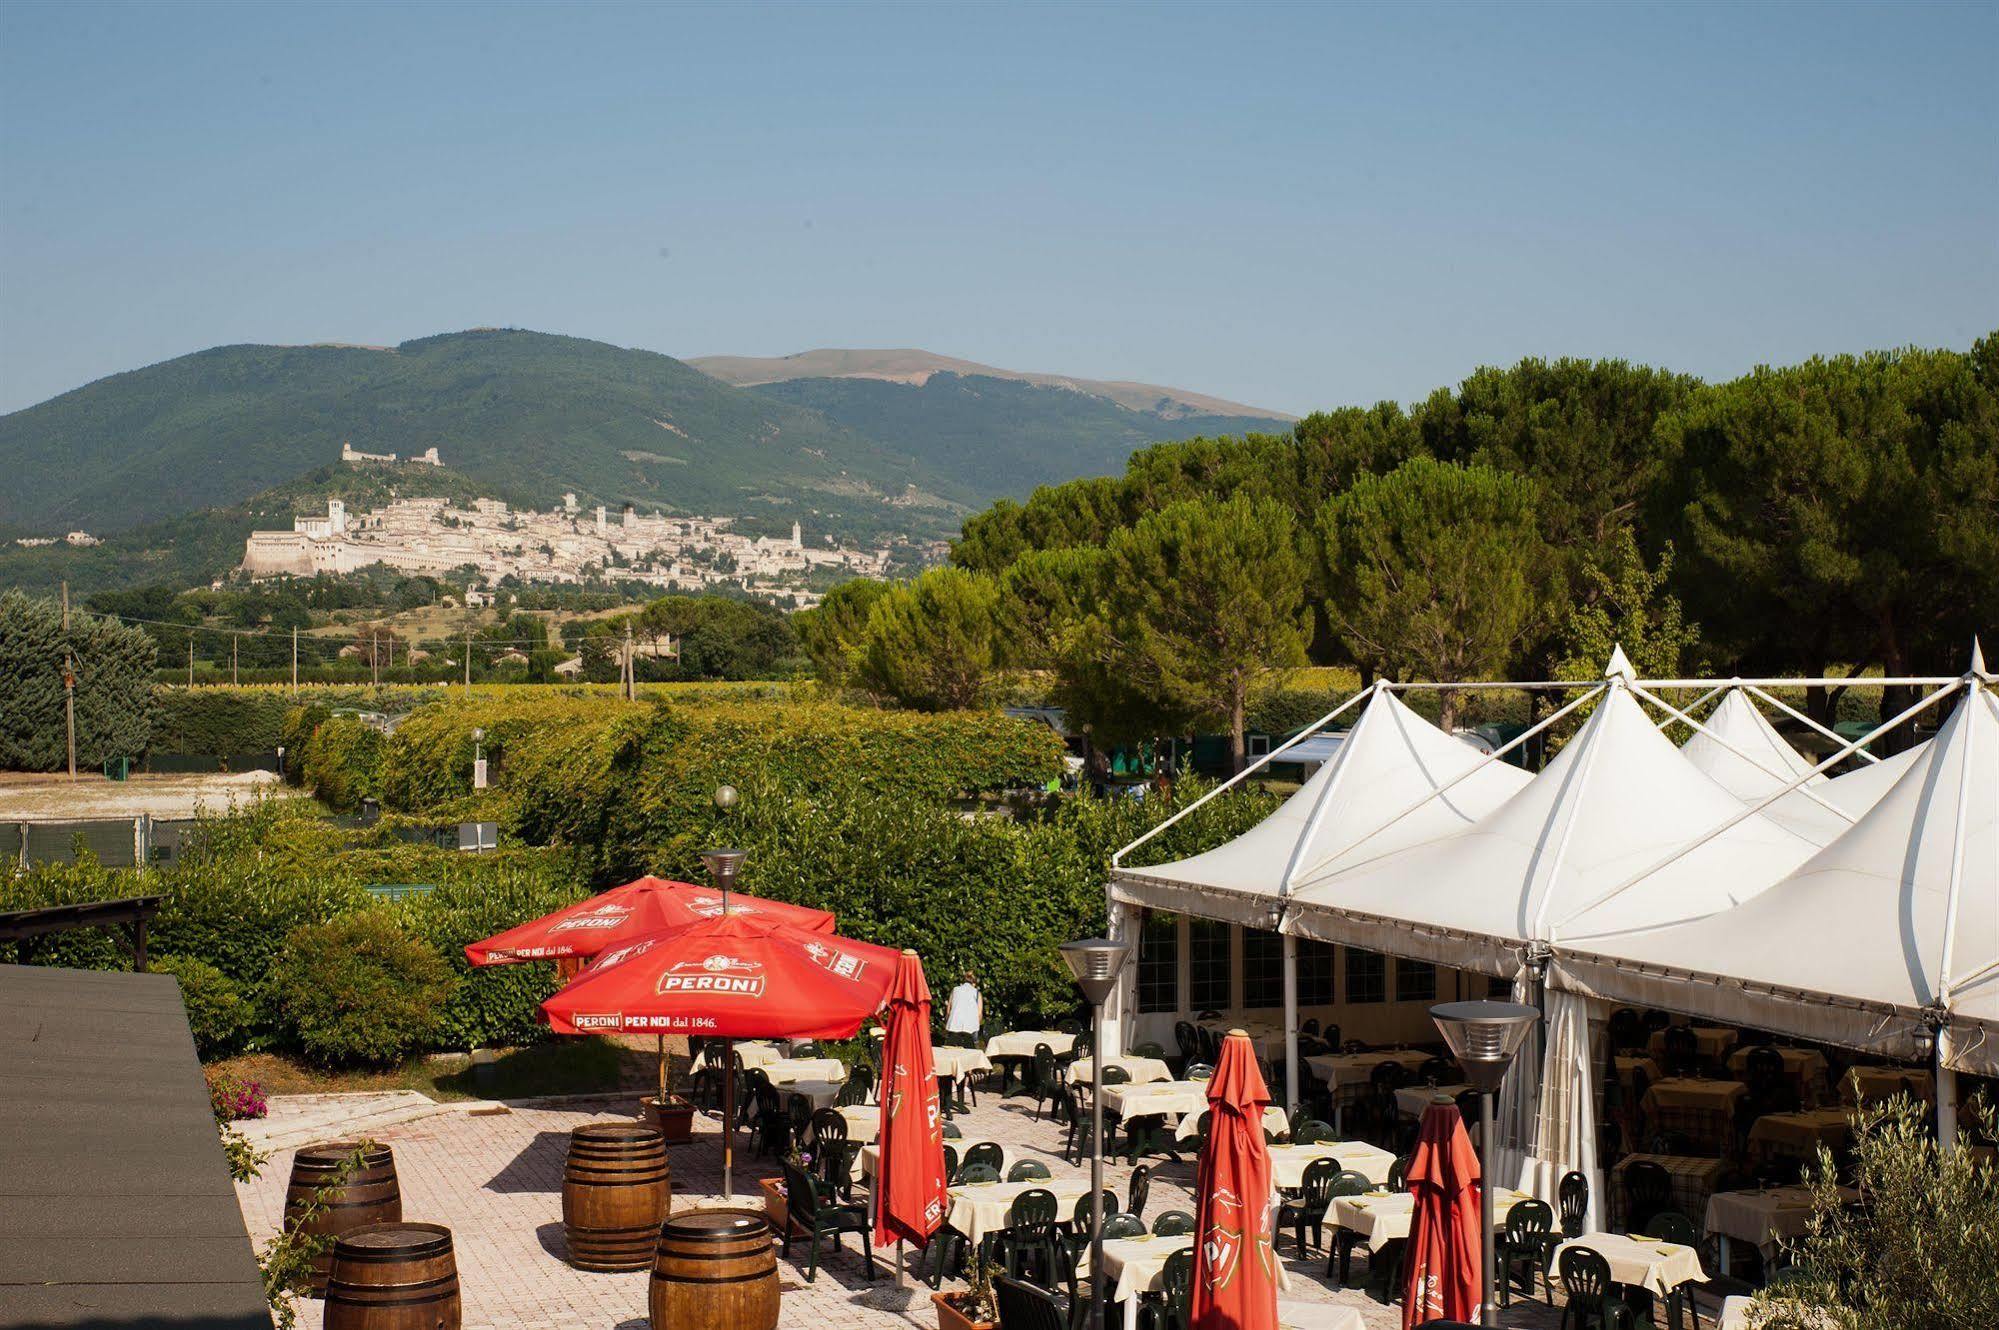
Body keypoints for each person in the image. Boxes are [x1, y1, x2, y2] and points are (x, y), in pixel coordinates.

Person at [944, 968, 983, 1047]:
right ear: (975, 982)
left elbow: (948, 1012)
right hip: (971, 1029)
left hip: (953, 1027)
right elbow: (979, 1014)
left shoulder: (955, 990)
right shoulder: (977, 993)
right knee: (972, 1052)